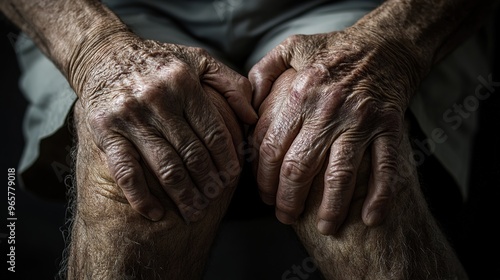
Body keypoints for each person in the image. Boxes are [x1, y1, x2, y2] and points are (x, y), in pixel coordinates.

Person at [0, 0, 497, 279]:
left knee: (342, 160)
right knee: (140, 166)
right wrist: (95, 50)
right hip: (107, 8)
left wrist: (393, 47)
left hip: (370, 6)